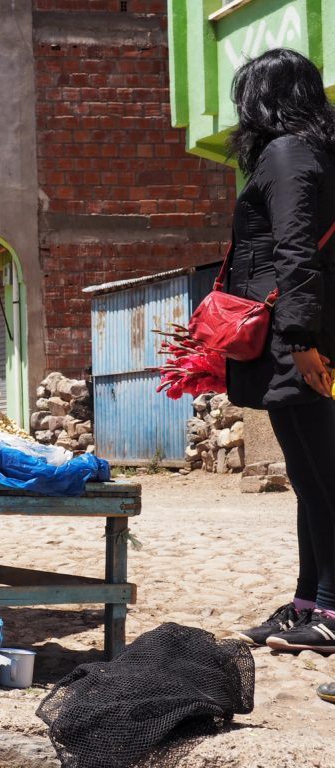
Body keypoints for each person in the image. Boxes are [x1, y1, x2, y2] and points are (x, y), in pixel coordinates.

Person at [222, 51, 335, 684]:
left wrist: (300, 338)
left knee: (324, 480)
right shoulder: (307, 150)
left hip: (303, 343)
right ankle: (307, 601)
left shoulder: (289, 153)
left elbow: (296, 250)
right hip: (304, 340)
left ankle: (331, 609)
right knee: (310, 479)